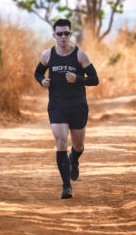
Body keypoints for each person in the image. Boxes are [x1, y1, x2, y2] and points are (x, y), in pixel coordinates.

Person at [34, 19, 99, 199]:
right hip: (57, 106)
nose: (63, 37)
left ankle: (74, 160)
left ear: (71, 35)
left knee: (77, 145)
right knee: (61, 142)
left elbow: (94, 79)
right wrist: (42, 81)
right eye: (60, 33)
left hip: (78, 106)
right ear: (54, 35)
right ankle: (66, 186)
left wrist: (78, 79)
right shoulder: (47, 55)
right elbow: (38, 73)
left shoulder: (80, 55)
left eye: (66, 33)